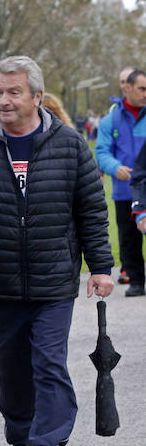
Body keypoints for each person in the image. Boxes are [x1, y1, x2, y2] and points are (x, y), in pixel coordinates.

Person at [0, 56, 114, 446]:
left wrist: (100, 267)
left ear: (37, 97)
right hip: (0, 281)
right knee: (11, 367)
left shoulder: (70, 145)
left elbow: (91, 212)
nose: (3, 100)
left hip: (53, 279)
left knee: (48, 362)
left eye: (13, 92)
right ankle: (20, 436)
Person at [95, 68, 146, 296]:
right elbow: (101, 152)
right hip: (125, 191)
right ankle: (136, 281)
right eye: (142, 88)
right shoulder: (111, 120)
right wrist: (115, 168)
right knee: (129, 239)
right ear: (128, 88)